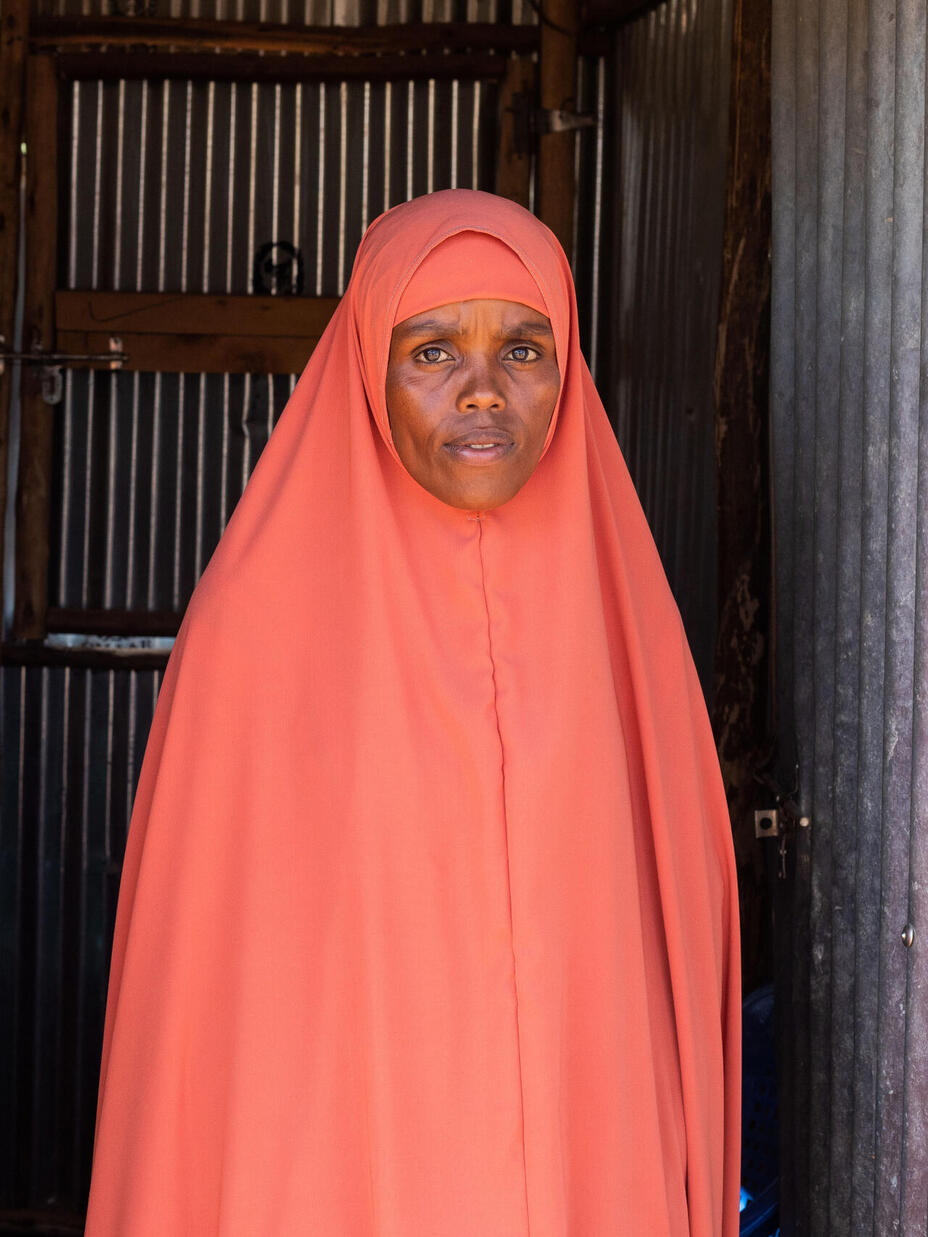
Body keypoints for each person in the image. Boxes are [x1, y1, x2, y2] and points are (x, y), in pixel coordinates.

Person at [84, 189, 741, 1236]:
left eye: (524, 352)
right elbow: (202, 1013)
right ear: (365, 368)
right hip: (328, 1171)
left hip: (579, 1173)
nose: (483, 392)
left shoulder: (631, 631)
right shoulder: (248, 639)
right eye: (432, 351)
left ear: (567, 372)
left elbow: (662, 967)